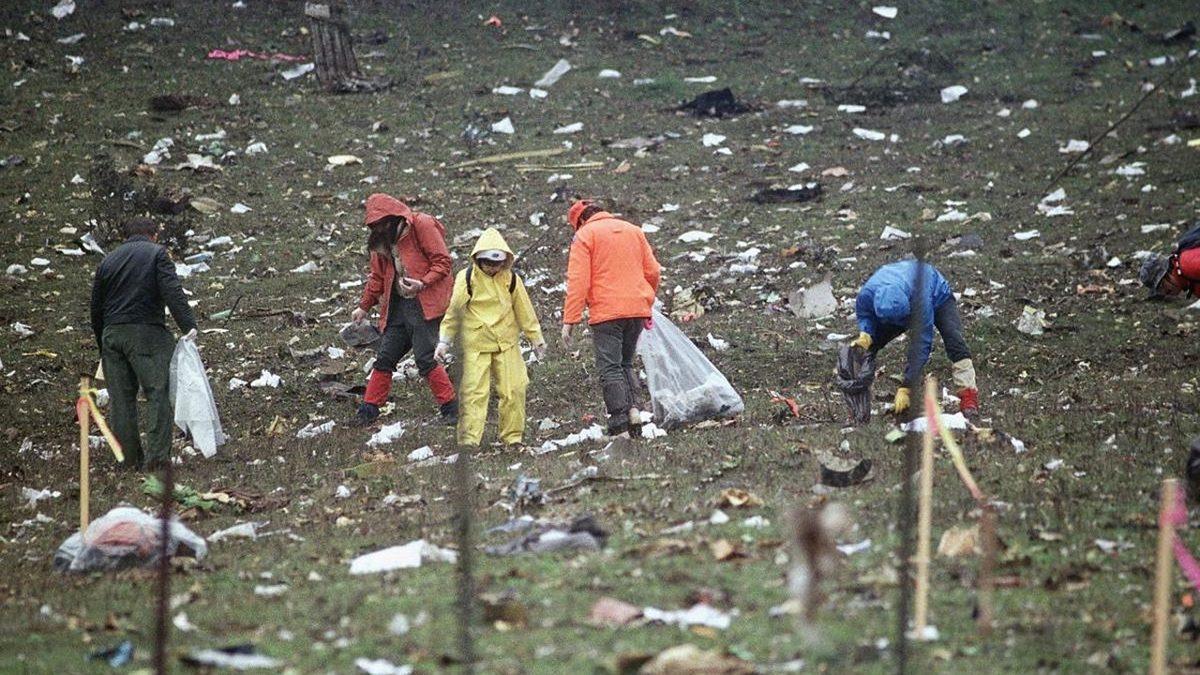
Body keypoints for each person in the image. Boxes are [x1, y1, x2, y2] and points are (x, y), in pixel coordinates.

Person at [90, 217, 197, 470]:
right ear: (154, 235)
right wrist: (189, 326)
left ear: (125, 236)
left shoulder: (108, 260)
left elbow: (96, 307)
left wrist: (102, 346)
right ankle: (157, 459)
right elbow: (172, 291)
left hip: (112, 335)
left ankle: (127, 460)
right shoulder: (157, 254)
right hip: (146, 333)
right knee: (157, 393)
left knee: (121, 401)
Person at [351, 193, 458, 426]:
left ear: (393, 218)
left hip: (425, 303)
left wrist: (423, 282)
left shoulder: (422, 224)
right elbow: (377, 277)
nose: (378, 229)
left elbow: (443, 261)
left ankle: (452, 409)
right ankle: (368, 412)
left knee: (426, 358)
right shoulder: (381, 242)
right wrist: (364, 306)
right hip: (398, 306)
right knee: (385, 357)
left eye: (381, 224)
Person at [435, 228, 545, 447]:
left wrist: (536, 338)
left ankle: (512, 438)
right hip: (476, 345)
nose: (492, 267)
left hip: (507, 344)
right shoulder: (466, 279)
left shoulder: (511, 280)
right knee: (474, 394)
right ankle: (469, 441)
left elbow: (525, 311)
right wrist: (444, 341)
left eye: (496, 263)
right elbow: (454, 312)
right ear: (478, 259)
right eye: (487, 263)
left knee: (514, 390)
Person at [561, 200, 661, 436]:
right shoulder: (634, 231)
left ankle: (619, 421)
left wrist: (570, 320)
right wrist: (646, 301)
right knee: (626, 363)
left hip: (607, 313)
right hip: (636, 310)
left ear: (580, 221)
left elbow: (579, 281)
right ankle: (634, 410)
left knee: (610, 367)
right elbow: (653, 271)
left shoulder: (585, 236)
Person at [851, 259, 978, 416]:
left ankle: (968, 397)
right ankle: (857, 386)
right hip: (901, 297)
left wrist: (907, 386)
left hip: (938, 295)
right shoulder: (868, 293)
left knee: (954, 341)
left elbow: (921, 344)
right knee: (871, 343)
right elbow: (865, 314)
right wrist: (866, 333)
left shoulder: (920, 301)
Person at [1139, 222, 1200, 299]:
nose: (1164, 292)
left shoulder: (1187, 264)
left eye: (1161, 286)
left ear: (1166, 274)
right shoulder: (1187, 282)